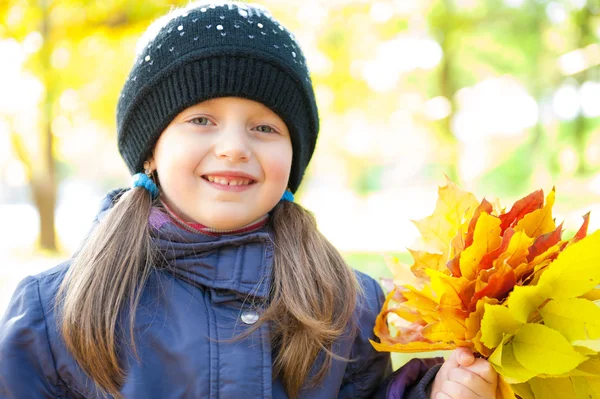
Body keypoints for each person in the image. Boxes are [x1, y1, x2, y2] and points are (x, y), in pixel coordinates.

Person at [0, 2, 497, 398]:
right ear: (150, 151)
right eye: (201, 120)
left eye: (264, 127)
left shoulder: (347, 305)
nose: (235, 146)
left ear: (292, 161)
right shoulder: (55, 311)